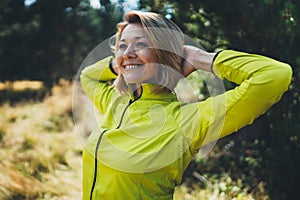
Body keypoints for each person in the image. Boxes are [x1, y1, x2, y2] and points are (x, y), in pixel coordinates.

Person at [80, 11, 292, 200]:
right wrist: (119, 63)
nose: (127, 52)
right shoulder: (116, 102)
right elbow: (88, 76)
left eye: (141, 44)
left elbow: (275, 76)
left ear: (165, 53)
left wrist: (200, 58)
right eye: (123, 45)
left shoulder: (187, 122)